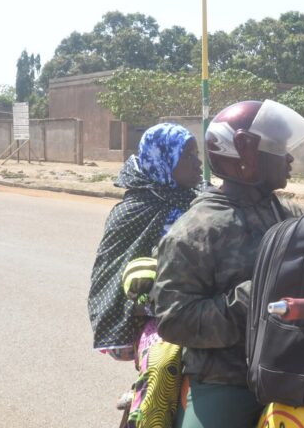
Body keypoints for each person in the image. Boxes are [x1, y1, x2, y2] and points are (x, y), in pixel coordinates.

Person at [151, 100, 304, 428]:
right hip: (228, 379)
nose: (289, 158)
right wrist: (255, 299)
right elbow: (174, 320)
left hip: (296, 367)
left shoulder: (286, 213)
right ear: (246, 154)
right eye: (279, 149)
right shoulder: (196, 230)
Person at [87, 123, 202, 427]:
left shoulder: (205, 201)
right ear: (164, 160)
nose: (198, 163)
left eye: (197, 154)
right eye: (188, 156)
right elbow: (113, 274)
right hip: (158, 317)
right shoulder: (133, 210)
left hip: (210, 309)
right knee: (163, 365)